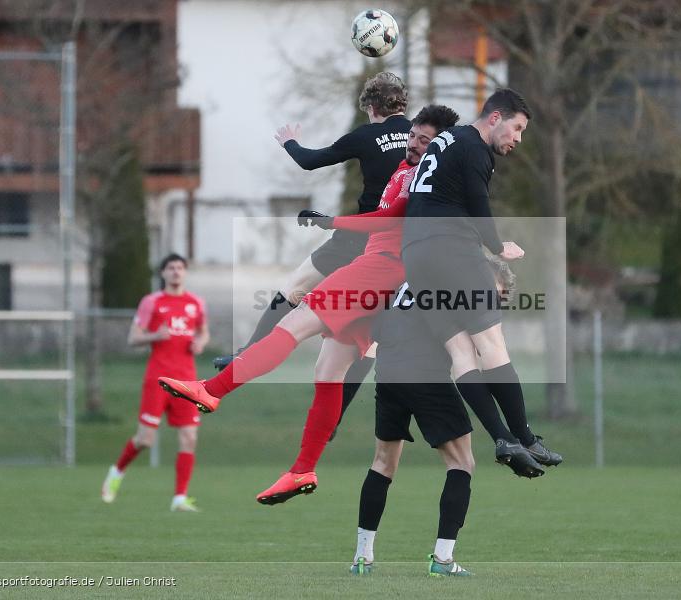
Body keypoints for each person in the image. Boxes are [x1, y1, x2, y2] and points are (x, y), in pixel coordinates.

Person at [158, 106, 461, 505]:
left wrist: (331, 222)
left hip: (379, 269)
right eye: (413, 136)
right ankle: (302, 470)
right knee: (329, 369)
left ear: (438, 146)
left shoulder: (427, 176)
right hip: (381, 273)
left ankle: (212, 390)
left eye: (425, 140)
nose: (414, 143)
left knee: (297, 322)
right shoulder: (407, 169)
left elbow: (387, 221)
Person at [211, 72, 412, 408]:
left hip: (354, 236)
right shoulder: (422, 137)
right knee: (369, 333)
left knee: (295, 287)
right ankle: (338, 412)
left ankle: (245, 355)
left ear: (372, 106)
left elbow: (310, 161)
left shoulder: (366, 135)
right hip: (395, 246)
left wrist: (289, 141)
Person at [400, 88, 561, 469]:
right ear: (495, 118)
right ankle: (526, 438)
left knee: (460, 353)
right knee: (492, 345)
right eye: (517, 128)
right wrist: (496, 245)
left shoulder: (446, 139)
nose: (518, 139)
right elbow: (477, 204)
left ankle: (502, 438)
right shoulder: (475, 148)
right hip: (450, 247)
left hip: (416, 256)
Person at [350, 282, 476, 577]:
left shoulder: (398, 280)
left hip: (390, 373)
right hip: (427, 375)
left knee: (382, 463)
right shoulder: (452, 279)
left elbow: (376, 333)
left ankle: (362, 559)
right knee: (462, 463)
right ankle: (443, 560)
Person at [101, 254, 209, 512]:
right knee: (145, 439)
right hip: (158, 379)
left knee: (189, 437)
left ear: (185, 272)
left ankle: (179, 498)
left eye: (180, 268)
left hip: (186, 382)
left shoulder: (196, 303)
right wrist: (155, 335)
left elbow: (203, 331)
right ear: (162, 273)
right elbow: (132, 338)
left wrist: (201, 342)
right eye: (171, 268)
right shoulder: (152, 302)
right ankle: (117, 471)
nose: (176, 272)